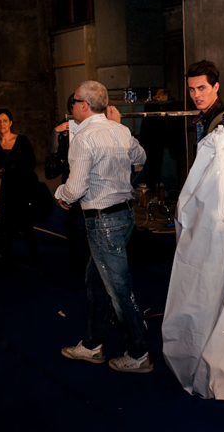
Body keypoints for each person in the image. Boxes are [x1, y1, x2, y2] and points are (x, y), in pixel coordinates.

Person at [56, 81, 152, 373]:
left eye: (74, 101)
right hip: (124, 217)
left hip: (102, 222)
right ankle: (92, 345)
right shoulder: (119, 130)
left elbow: (75, 188)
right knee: (96, 284)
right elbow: (141, 158)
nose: (72, 106)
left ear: (84, 106)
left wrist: (60, 194)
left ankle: (139, 353)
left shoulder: (83, 139)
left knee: (119, 290)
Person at [0, 108, 38, 259]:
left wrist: (13, 169)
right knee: (3, 226)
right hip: (1, 192)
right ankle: (7, 259)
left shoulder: (21, 141)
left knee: (25, 223)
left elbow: (31, 163)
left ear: (10, 122)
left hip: (20, 189)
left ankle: (34, 255)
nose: (1, 124)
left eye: (4, 120)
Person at [50, 94, 89, 273]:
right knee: (71, 220)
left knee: (89, 220)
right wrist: (56, 132)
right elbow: (52, 151)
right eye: (73, 103)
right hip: (69, 174)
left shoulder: (92, 123)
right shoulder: (64, 124)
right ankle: (73, 256)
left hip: (89, 176)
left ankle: (90, 258)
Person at [187, 60, 224, 145]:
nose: (196, 95)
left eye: (201, 88)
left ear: (215, 87)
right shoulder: (203, 118)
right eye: (192, 89)